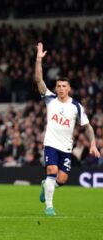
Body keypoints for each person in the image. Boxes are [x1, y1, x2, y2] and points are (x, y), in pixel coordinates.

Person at [35, 42, 100, 216]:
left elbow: (87, 127)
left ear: (69, 88)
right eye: (58, 86)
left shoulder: (76, 107)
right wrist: (39, 60)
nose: (61, 89)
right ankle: (49, 207)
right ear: (55, 88)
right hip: (50, 144)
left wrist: (93, 143)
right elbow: (39, 80)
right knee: (52, 171)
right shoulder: (50, 99)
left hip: (66, 147)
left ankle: (45, 186)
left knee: (62, 179)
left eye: (64, 86)